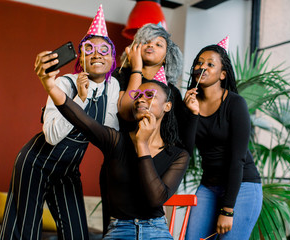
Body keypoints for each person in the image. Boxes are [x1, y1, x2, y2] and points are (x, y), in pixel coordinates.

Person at [35, 49, 190, 239]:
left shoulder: (177, 155)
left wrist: (142, 144)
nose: (141, 98)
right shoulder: (116, 140)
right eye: (138, 95)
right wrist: (50, 85)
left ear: (167, 106)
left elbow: (156, 198)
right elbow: (80, 118)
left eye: (149, 95)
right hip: (120, 229)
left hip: (156, 230)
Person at [0, 5, 119, 240]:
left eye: (104, 49)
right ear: (81, 57)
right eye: (89, 48)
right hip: (35, 164)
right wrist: (79, 100)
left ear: (113, 59)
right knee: (25, 233)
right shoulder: (64, 83)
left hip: (68, 171)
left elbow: (109, 133)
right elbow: (52, 136)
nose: (97, 54)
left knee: (77, 235)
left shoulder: (112, 87)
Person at [182, 41, 263, 240]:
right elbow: (186, 149)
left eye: (210, 64)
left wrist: (227, 210)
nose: (202, 67)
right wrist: (191, 114)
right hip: (209, 185)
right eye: (199, 63)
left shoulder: (235, 103)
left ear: (222, 74)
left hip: (242, 185)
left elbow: (238, 159)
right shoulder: (189, 104)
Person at [112, 23, 185, 134]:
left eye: (158, 44)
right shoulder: (122, 74)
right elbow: (127, 113)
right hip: (122, 143)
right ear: (136, 48)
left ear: (167, 56)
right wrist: (136, 68)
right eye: (146, 42)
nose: (150, 45)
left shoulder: (172, 92)